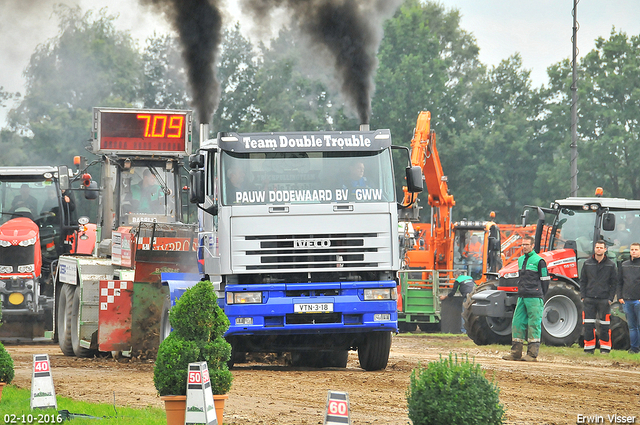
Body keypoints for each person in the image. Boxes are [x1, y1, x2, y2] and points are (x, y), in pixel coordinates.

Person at [502, 235, 549, 362]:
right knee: (517, 323)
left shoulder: (540, 261)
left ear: (532, 245)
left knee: (533, 324)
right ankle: (515, 353)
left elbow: (545, 281)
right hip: (522, 296)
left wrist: (541, 295)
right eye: (523, 244)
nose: (524, 247)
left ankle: (532, 354)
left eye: (527, 244)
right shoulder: (520, 259)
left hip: (534, 297)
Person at [579, 239, 617, 354]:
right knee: (588, 325)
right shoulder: (587, 263)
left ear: (605, 250)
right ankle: (589, 349)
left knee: (605, 325)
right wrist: (583, 296)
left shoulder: (611, 265)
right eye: (597, 247)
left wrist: (610, 298)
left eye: (601, 247)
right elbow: (583, 281)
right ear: (594, 249)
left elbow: (614, 283)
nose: (598, 249)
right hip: (589, 299)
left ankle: (605, 349)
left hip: (604, 300)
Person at [617, 242, 640, 354]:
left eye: (636, 249)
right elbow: (620, 282)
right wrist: (620, 296)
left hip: (638, 300)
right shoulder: (624, 265)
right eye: (632, 249)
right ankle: (634, 349)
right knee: (632, 326)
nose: (633, 251)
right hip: (627, 300)